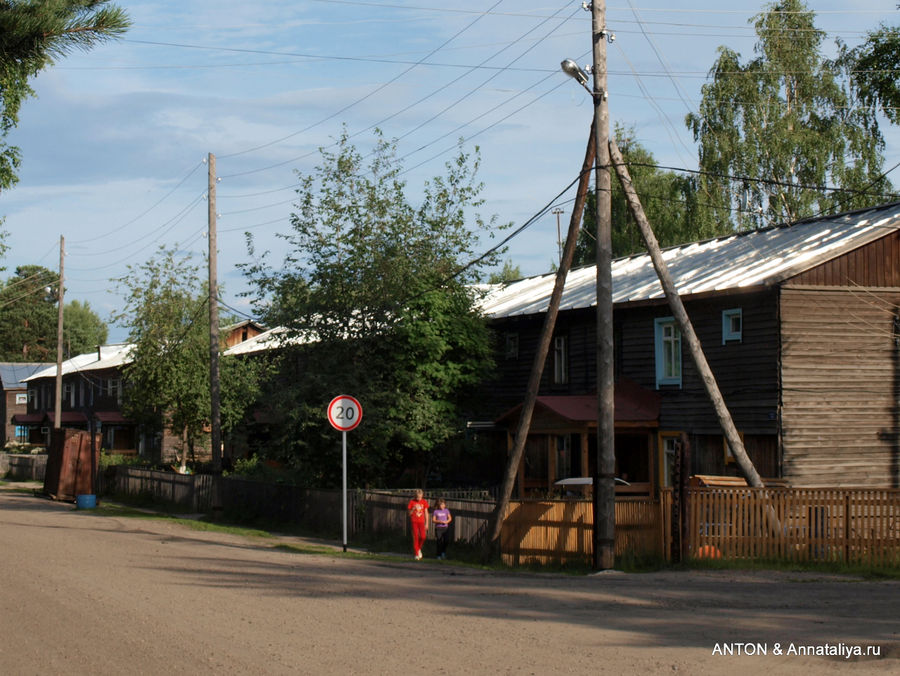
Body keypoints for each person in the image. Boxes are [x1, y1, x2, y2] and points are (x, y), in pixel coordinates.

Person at [407, 489, 429, 560]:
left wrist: (427, 523)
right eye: (417, 497)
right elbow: (409, 514)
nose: (418, 499)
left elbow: (426, 513)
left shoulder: (424, 502)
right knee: (416, 537)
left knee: (423, 537)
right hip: (414, 522)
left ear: (422, 496)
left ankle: (418, 548)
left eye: (420, 497)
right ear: (415, 496)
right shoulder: (412, 502)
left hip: (422, 522)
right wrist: (413, 509)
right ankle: (416, 553)